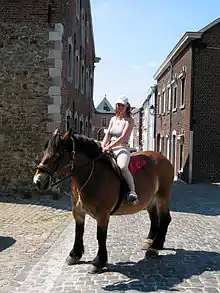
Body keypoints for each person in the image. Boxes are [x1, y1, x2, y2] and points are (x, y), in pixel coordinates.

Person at [101, 95, 138, 204]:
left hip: (122, 148)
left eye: (122, 105)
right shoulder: (113, 119)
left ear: (127, 106)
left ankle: (132, 191)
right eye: (118, 105)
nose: (120, 107)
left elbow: (122, 138)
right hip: (109, 147)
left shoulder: (129, 120)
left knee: (122, 166)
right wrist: (103, 146)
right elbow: (107, 134)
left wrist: (109, 147)